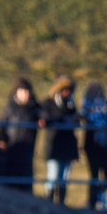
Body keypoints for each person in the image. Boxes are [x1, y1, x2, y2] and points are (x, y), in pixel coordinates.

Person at [78, 80, 107, 208]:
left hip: (106, 145)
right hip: (92, 145)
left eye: (98, 90)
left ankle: (96, 196)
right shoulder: (86, 106)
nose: (96, 93)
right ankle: (92, 203)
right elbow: (81, 117)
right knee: (94, 175)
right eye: (93, 91)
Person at [39, 75, 78, 203]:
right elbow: (46, 117)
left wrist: (74, 119)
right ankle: (49, 202)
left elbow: (75, 120)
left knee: (64, 176)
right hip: (54, 145)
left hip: (68, 145)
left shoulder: (71, 104)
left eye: (69, 90)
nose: (67, 93)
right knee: (53, 174)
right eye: (64, 90)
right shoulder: (49, 102)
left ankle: (61, 203)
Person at [0, 76, 39, 192]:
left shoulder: (34, 109)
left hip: (27, 151)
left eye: (27, 91)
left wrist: (44, 120)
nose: (25, 94)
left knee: (25, 181)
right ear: (16, 92)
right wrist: (1, 140)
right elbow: (0, 127)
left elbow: (46, 115)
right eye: (22, 91)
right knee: (10, 181)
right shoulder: (10, 108)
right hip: (11, 149)